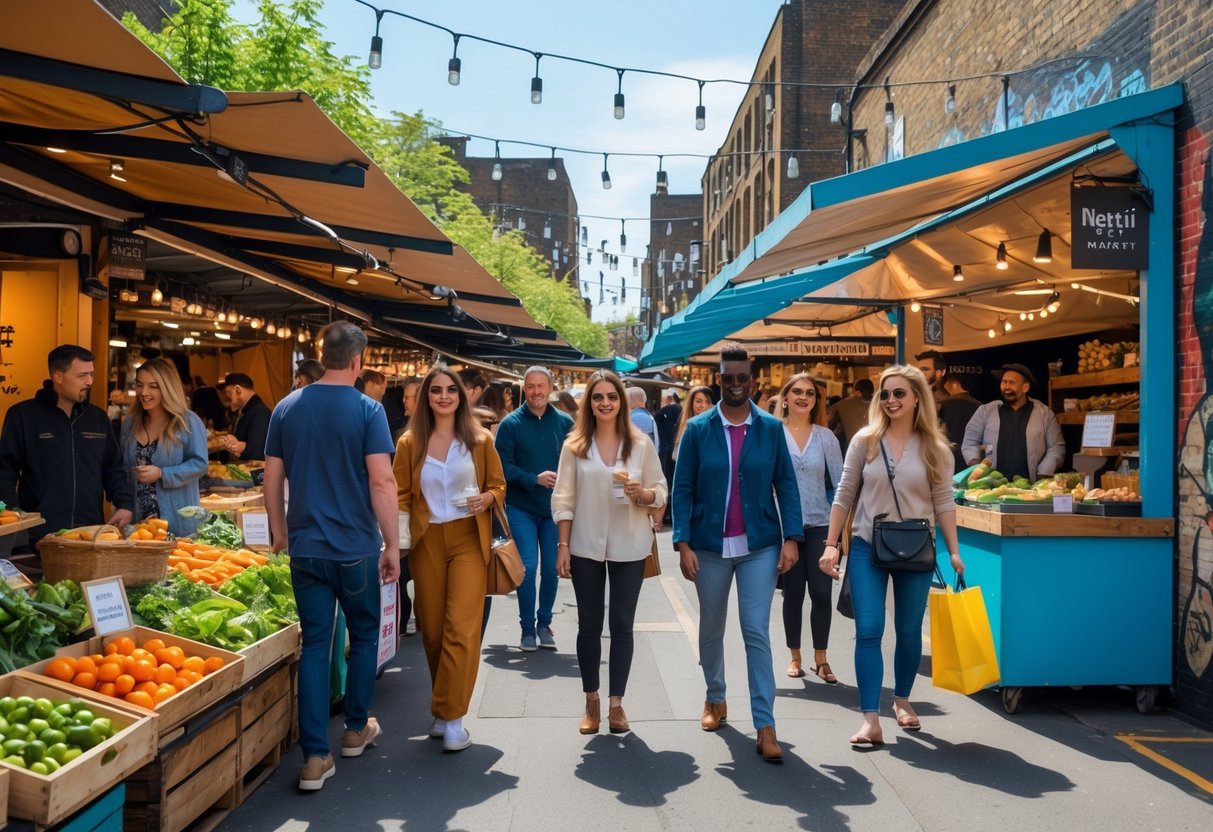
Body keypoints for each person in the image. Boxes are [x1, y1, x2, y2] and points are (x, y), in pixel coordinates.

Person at [263, 321, 399, 791]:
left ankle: (315, 758)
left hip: (305, 548)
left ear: (323, 355)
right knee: (362, 636)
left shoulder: (287, 407)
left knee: (316, 646)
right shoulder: (368, 410)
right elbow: (382, 482)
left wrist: (279, 532)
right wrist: (393, 544)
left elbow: (271, 479)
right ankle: (357, 729)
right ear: (359, 361)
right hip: (356, 547)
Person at [820, 365, 963, 746]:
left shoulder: (936, 449)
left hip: (917, 546)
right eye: (885, 394)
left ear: (917, 398)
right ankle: (870, 718)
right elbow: (844, 494)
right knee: (868, 630)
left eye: (899, 393)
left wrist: (954, 552)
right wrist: (831, 544)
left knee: (908, 631)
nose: (891, 400)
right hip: (868, 544)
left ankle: (902, 698)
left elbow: (944, 502)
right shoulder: (865, 441)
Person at [672, 344, 802, 763]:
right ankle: (715, 698)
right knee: (711, 628)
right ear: (719, 381)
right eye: (727, 379)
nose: (734, 384)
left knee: (755, 631)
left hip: (759, 545)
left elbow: (786, 483)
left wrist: (792, 537)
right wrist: (683, 542)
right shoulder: (697, 429)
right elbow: (683, 487)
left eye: (741, 378)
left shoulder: (769, 428)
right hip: (708, 547)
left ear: (753, 381)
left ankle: (765, 724)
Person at [394, 366, 505, 753]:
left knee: (461, 627)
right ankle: (445, 709)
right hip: (426, 541)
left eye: (450, 390)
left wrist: (487, 499)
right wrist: (396, 544)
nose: (444, 396)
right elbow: (400, 496)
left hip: (468, 539)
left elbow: (498, 485)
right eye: (436, 390)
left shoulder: (479, 439)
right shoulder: (409, 443)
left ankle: (452, 716)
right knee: (433, 629)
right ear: (426, 397)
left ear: (462, 396)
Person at [552, 370, 667, 735]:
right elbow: (564, 498)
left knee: (621, 624)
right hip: (584, 544)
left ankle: (617, 704)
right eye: (598, 397)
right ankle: (592, 700)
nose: (605, 403)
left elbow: (660, 489)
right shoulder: (574, 446)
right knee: (589, 625)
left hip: (630, 545)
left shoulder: (640, 444)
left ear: (621, 402)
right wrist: (564, 545)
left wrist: (644, 495)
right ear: (589, 403)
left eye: (612, 397)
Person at [0, 345, 133, 542]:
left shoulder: (98, 418)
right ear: (58, 377)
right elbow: (4, 471)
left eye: (91, 374)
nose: (89, 382)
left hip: (90, 535)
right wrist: (15, 515)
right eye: (82, 376)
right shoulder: (24, 416)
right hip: (39, 535)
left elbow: (113, 468)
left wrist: (124, 504)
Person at [495, 366, 573, 652]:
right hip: (521, 507)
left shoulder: (566, 423)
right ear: (524, 389)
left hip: (555, 509)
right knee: (527, 567)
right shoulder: (511, 424)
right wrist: (533, 479)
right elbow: (501, 466)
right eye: (531, 386)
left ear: (550, 388)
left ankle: (544, 623)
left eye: (542, 386)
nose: (537, 391)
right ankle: (527, 627)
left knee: (554, 569)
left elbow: (578, 462)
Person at [775, 374, 844, 683]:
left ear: (816, 401)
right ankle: (795, 656)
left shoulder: (825, 437)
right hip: (784, 526)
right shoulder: (772, 433)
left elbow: (842, 484)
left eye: (810, 393)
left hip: (820, 524)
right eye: (797, 392)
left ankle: (821, 658)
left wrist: (839, 534)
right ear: (785, 397)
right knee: (792, 593)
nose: (803, 397)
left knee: (821, 592)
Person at [119, 358, 208, 538]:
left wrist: (162, 473)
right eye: (139, 385)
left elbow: (200, 464)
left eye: (153, 386)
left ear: (167, 388)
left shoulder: (187, 422)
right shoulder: (129, 423)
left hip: (176, 522)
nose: (144, 392)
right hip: (138, 525)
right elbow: (122, 469)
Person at [961, 363, 1065, 481]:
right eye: (1004, 382)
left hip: (1030, 488)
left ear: (1025, 387)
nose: (1006, 386)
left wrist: (1044, 471)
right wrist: (976, 465)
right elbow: (970, 441)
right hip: (992, 487)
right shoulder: (985, 411)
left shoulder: (1044, 414)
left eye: (1011, 382)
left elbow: (1056, 447)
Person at [220, 373, 271, 461]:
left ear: (238, 390)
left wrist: (240, 447)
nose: (227, 398)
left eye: (229, 393)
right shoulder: (249, 410)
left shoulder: (259, 413)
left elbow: (257, 453)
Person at [938, 373, 981, 472]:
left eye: (947, 383)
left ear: (954, 384)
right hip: (971, 461)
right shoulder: (980, 407)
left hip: (946, 458)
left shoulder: (942, 405)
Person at [828, 377, 874, 452]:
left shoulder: (841, 405)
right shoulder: (882, 404)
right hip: (878, 448)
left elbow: (829, 427)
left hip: (853, 450)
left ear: (856, 391)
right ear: (872, 390)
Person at [672, 386, 714, 462]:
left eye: (707, 402)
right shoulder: (688, 427)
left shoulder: (715, 427)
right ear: (691, 403)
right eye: (699, 401)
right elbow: (678, 457)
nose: (703, 406)